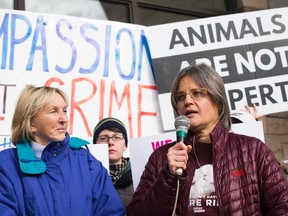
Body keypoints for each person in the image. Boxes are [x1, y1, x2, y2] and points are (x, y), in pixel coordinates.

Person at [126, 63, 288, 215]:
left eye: (197, 93)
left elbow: (282, 209)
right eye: (180, 97)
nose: (187, 101)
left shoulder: (253, 151)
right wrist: (168, 176)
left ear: (218, 101)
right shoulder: (161, 157)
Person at [0, 85, 125, 216]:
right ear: (31, 123)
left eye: (64, 111)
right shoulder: (6, 166)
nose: (64, 119)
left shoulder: (86, 161)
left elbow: (111, 211)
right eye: (53, 111)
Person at [93, 117, 134, 209]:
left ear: (125, 145)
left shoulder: (141, 174)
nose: (110, 142)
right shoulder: (86, 177)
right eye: (103, 138)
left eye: (117, 137)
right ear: (95, 145)